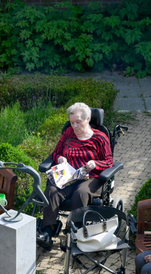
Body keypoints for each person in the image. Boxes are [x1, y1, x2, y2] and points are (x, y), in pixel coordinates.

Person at [37, 102, 113, 249]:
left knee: (81, 193)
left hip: (91, 177)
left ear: (88, 119)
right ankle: (48, 231)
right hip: (69, 175)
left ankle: (74, 232)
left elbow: (109, 161)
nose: (75, 126)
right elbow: (56, 153)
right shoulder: (68, 133)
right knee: (52, 191)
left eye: (78, 122)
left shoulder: (100, 137)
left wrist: (95, 164)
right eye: (72, 122)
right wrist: (60, 158)